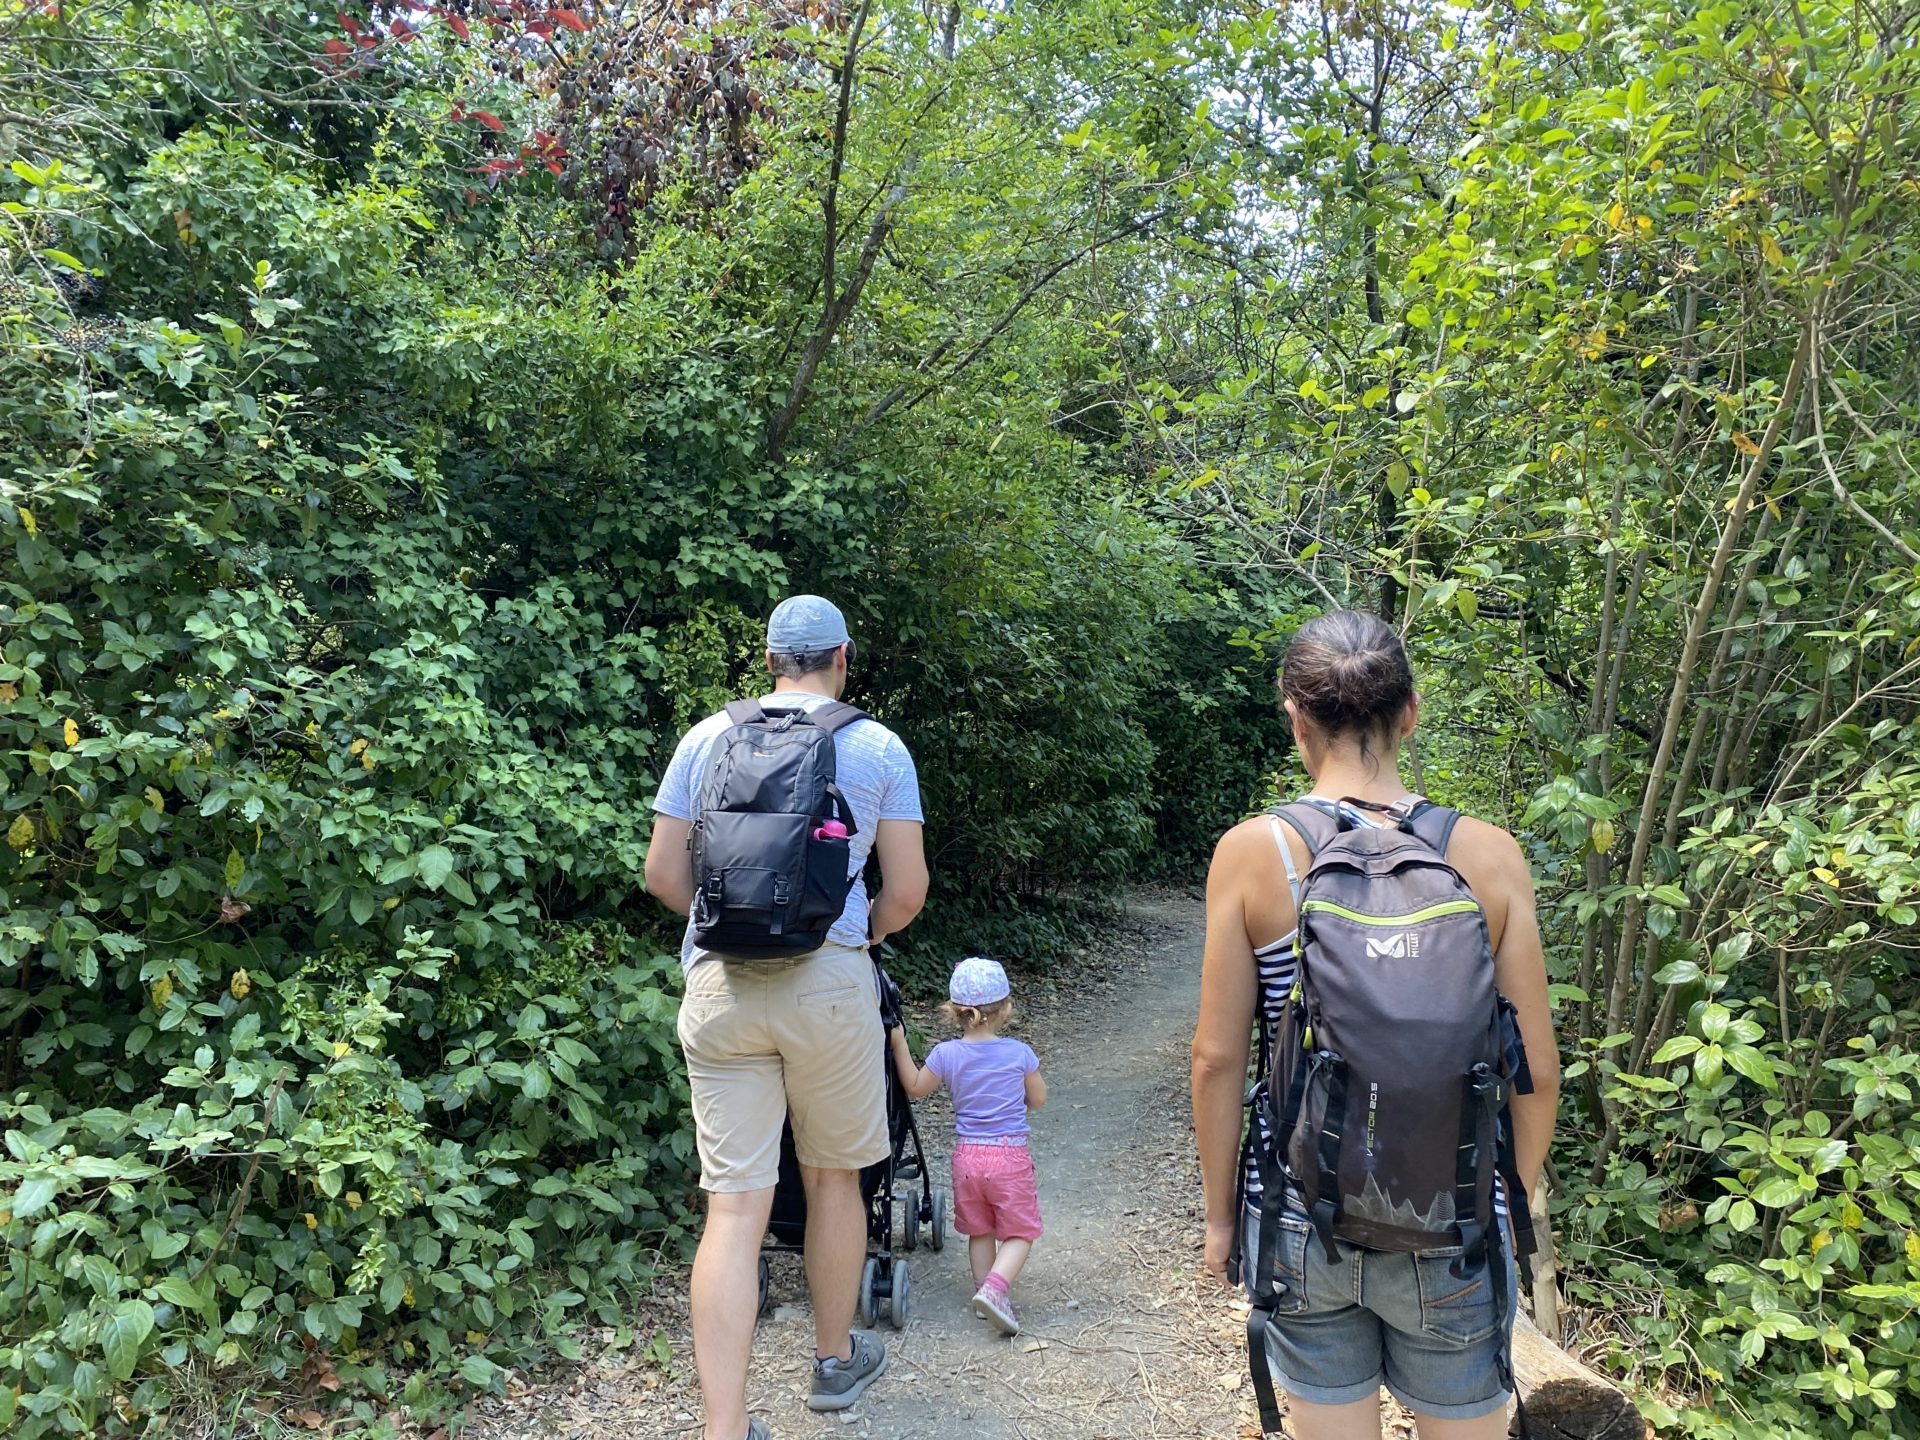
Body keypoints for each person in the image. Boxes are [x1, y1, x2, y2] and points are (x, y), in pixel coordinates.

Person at [1190, 610, 1561, 1440]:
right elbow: (1536, 1069)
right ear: (1410, 714)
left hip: (1301, 1210)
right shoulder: (1489, 854)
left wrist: (1221, 1219)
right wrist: (1498, 1202)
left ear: (1297, 720)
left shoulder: (1253, 852)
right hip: (1455, 1218)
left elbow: (1216, 1058)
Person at [646, 595, 929, 1440]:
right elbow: (907, 891)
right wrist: (856, 935)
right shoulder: (878, 746)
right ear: (843, 657)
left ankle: (724, 1427)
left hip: (720, 986)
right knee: (835, 1178)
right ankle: (834, 1363)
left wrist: (730, 924)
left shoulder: (706, 737)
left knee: (734, 1209)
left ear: (768, 659)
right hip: (829, 987)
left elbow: (663, 875)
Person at [889, 956, 1046, 1336]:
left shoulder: (946, 1054)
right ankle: (994, 1289)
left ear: (954, 1011)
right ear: (1004, 1009)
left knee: (980, 1229)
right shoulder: (1019, 1053)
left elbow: (915, 1087)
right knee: (1021, 1231)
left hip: (967, 1158)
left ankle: (983, 1294)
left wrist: (898, 1042)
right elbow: (1038, 1098)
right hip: (1008, 1156)